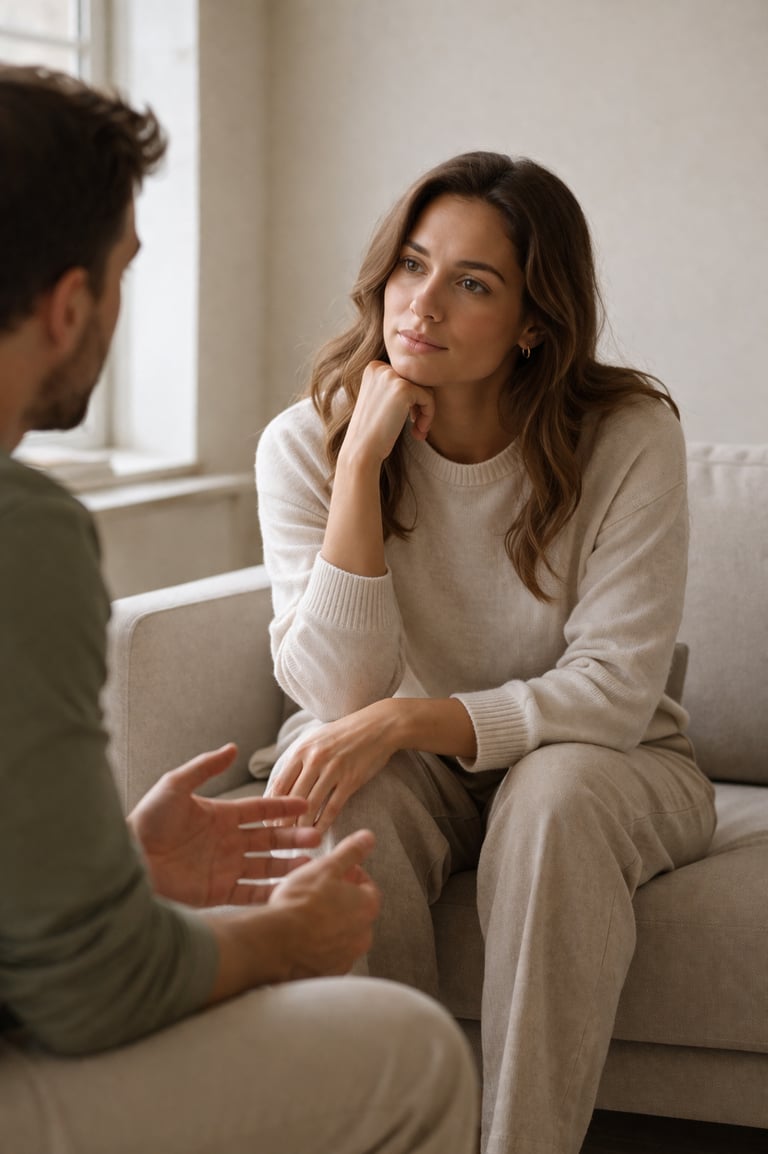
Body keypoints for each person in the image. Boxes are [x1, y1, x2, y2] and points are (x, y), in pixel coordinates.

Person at [0, 66, 479, 1154]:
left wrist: (117, 868)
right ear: (72, 301)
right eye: (126, 272)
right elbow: (88, 985)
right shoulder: (22, 532)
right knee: (410, 1047)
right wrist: (284, 936)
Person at [255, 151, 717, 1154]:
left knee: (552, 797)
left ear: (534, 321)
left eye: (472, 283)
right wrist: (362, 468)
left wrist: (410, 718)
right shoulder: (306, 443)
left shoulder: (628, 434)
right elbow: (340, 692)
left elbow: (613, 690)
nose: (422, 304)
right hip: (406, 761)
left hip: (610, 762)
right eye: (411, 266)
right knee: (341, 794)